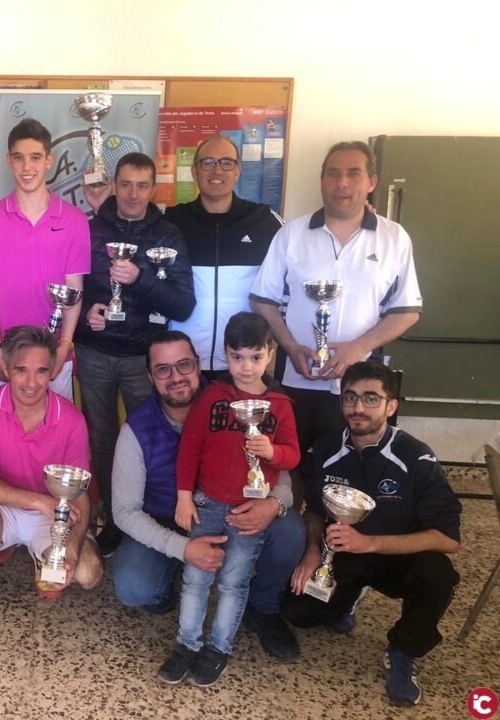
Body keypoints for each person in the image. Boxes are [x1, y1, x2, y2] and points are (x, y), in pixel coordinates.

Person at [111, 329, 304, 663]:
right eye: (162, 369)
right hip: (171, 522)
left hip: (236, 511)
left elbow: (280, 465)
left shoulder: (238, 398)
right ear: (150, 376)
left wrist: (275, 502)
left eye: (184, 365)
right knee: (132, 586)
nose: (175, 377)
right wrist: (182, 547)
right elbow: (124, 512)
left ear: (199, 365)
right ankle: (171, 577)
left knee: (291, 531)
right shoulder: (136, 430)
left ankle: (263, 605)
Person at [283, 362, 461, 707]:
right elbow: (317, 511)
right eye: (350, 397)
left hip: (400, 559)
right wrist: (311, 553)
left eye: (370, 398)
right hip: (345, 556)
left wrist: (371, 543)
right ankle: (346, 599)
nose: (358, 408)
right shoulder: (325, 449)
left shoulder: (416, 455)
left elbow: (448, 538)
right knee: (297, 612)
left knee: (437, 575)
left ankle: (404, 649)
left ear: (391, 406)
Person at [249, 140, 422, 461]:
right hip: (296, 379)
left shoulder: (394, 237)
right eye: (332, 173)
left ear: (372, 182)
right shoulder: (291, 233)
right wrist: (290, 346)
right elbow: (262, 300)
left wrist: (358, 348)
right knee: (292, 463)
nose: (342, 182)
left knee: (353, 465)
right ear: (322, 181)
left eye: (353, 173)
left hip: (361, 385)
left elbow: (406, 310)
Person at [160, 313, 300, 687]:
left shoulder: (280, 404)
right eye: (237, 357)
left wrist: (272, 452)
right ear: (225, 354)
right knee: (194, 579)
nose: (246, 366)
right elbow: (190, 448)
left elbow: (294, 455)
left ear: (270, 354)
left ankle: (219, 647)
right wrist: (185, 496)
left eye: (255, 357)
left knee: (234, 583)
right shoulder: (213, 396)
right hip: (206, 504)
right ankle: (186, 643)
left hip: (248, 512)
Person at [76, 152, 196, 556]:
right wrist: (85, 315)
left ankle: (157, 518)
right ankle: (114, 517)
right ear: (113, 184)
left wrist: (140, 278)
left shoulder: (168, 234)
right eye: (125, 184)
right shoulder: (90, 229)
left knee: (155, 440)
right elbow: (73, 290)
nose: (132, 193)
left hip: (146, 358)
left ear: (153, 188)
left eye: (142, 185)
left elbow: (183, 306)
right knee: (102, 441)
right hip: (94, 352)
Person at [0, 325, 102, 635]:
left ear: (52, 373)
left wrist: (70, 547)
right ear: (5, 368)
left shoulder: (72, 419)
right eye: (21, 370)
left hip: (51, 517)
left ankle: (44, 552)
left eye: (41, 371)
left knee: (88, 574)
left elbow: (80, 494)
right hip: (4, 508)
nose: (32, 383)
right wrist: (37, 501)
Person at [0, 119, 90, 401]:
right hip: (3, 357)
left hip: (53, 356)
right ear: (9, 161)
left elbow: (74, 290)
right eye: (19, 158)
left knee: (54, 439)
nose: (27, 168)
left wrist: (64, 346)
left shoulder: (74, 220)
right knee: (1, 439)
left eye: (35, 157)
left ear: (49, 160)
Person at [163, 135, 282, 377]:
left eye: (226, 162)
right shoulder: (172, 221)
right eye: (208, 162)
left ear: (238, 169)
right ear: (195, 171)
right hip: (184, 363)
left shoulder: (265, 221)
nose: (217, 170)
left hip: (243, 363)